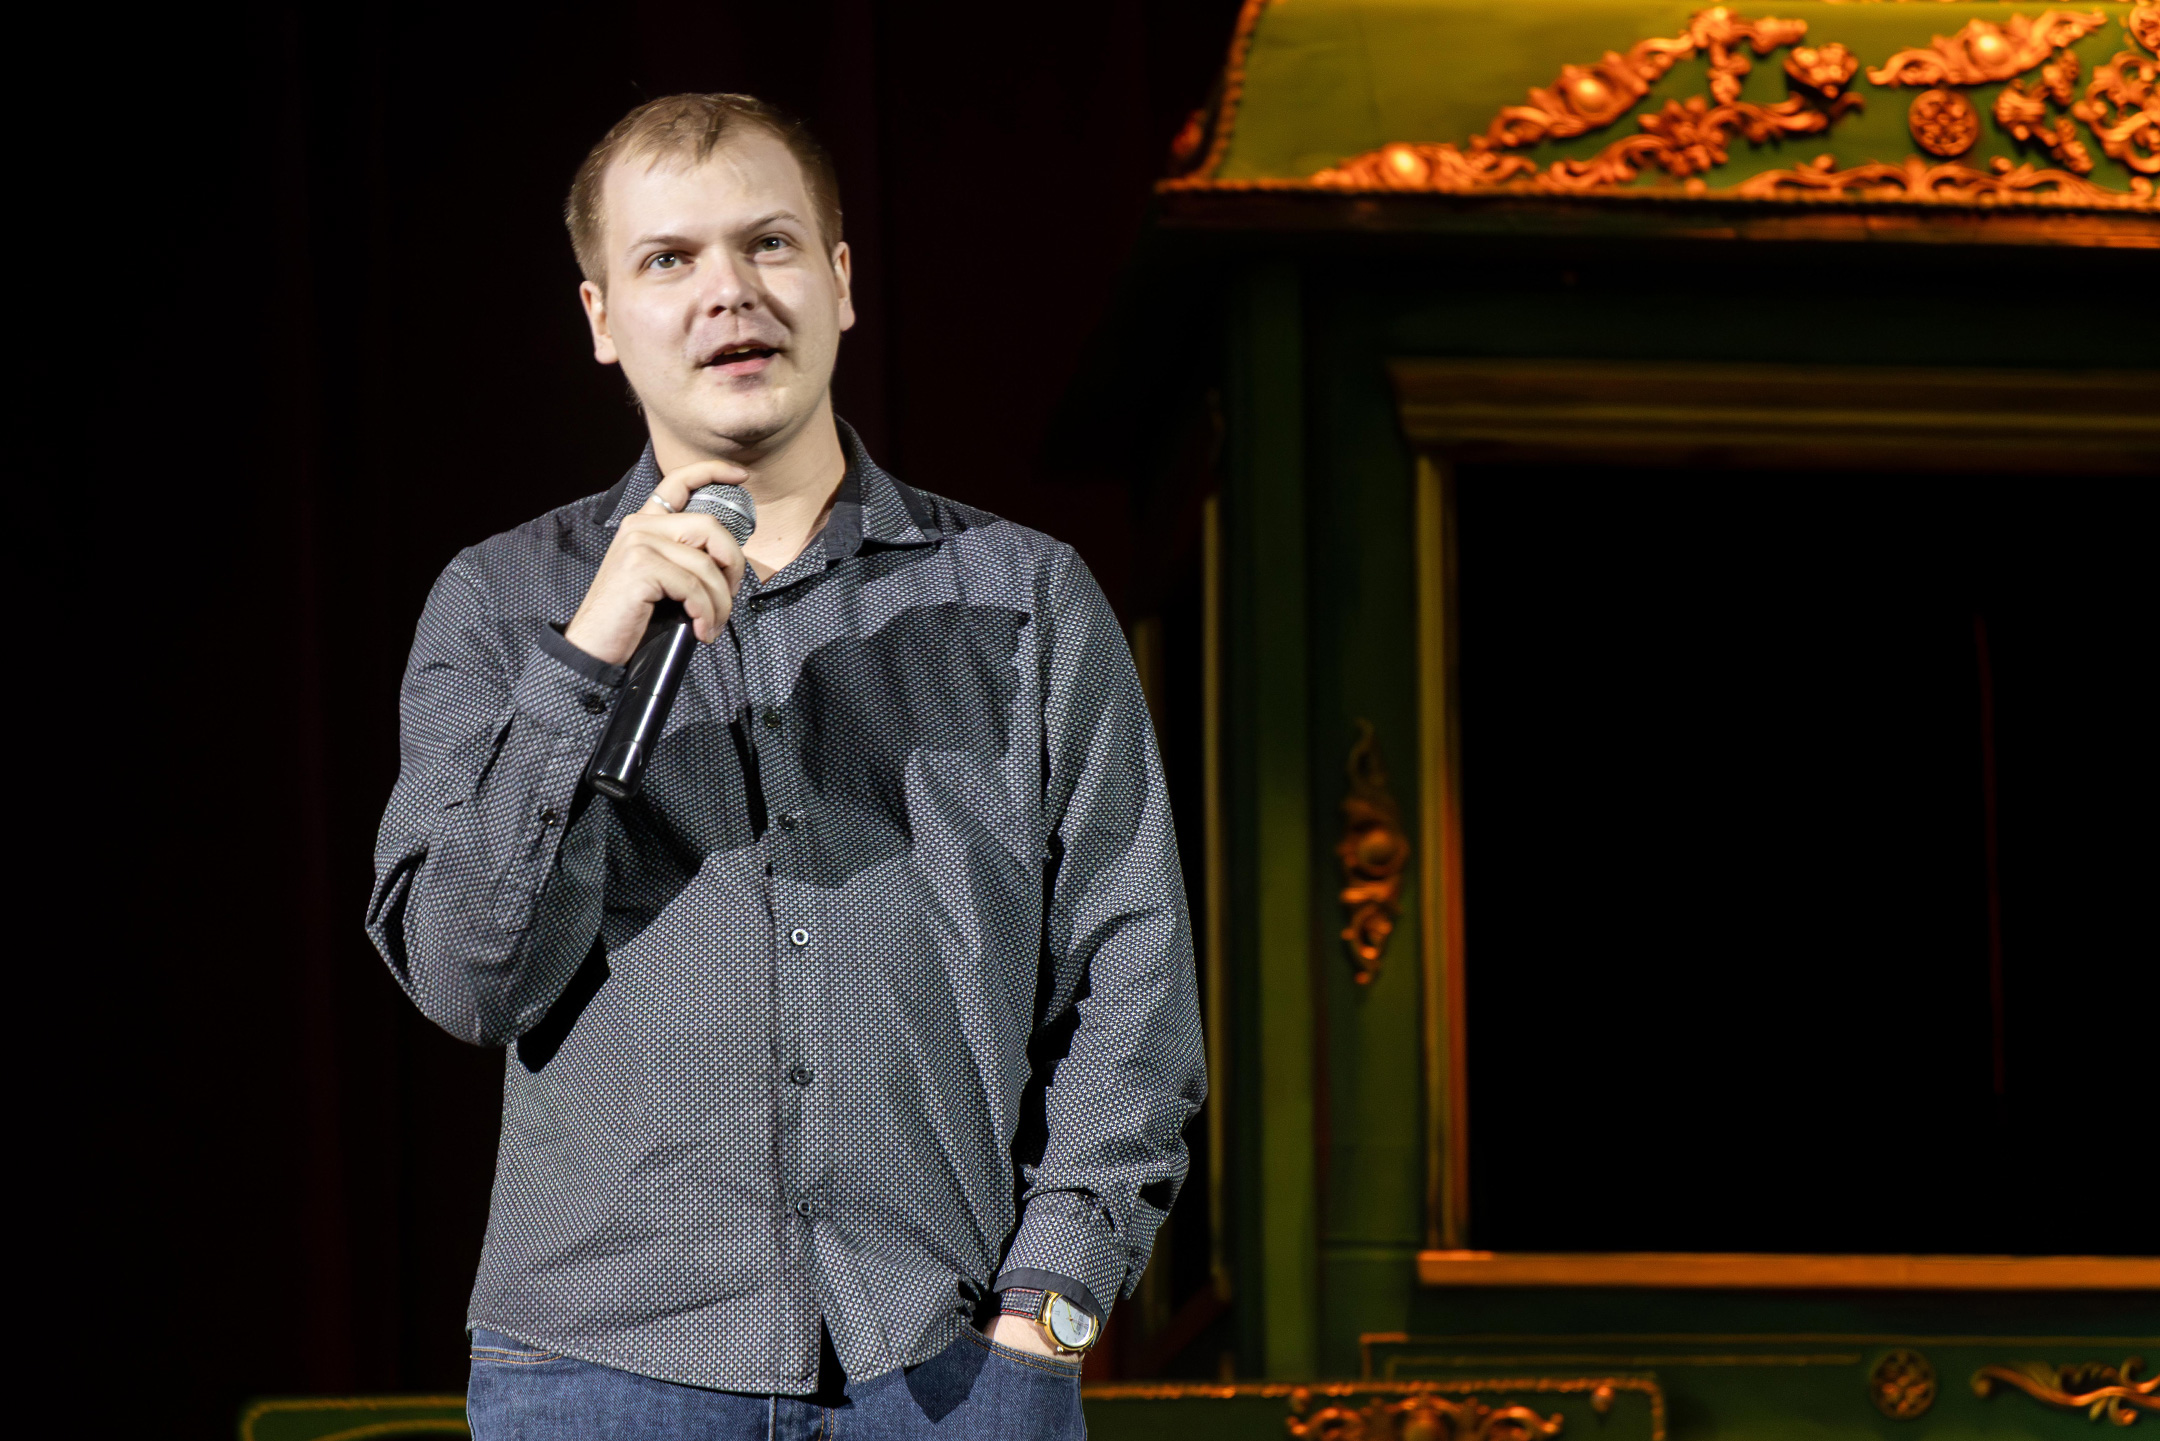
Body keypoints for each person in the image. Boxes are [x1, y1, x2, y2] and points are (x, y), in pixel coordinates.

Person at [363, 92, 1205, 1439]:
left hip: (948, 1369)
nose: (729, 291)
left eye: (769, 243)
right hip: (597, 1373)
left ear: (841, 282)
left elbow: (1133, 984)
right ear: (601, 318)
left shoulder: (1024, 599)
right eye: (670, 258)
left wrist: (1050, 1308)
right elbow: (471, 977)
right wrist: (589, 657)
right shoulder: (504, 600)